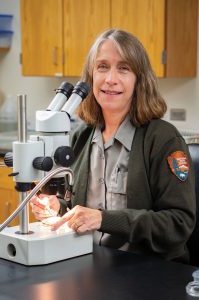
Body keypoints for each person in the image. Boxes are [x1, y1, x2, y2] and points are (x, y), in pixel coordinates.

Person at [30, 29, 196, 262]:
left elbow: (179, 224)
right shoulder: (82, 136)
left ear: (140, 79)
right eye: (102, 67)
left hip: (149, 273)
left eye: (124, 68)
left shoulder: (163, 139)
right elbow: (76, 208)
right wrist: (55, 207)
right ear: (91, 77)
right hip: (91, 263)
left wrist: (103, 219)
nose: (110, 79)